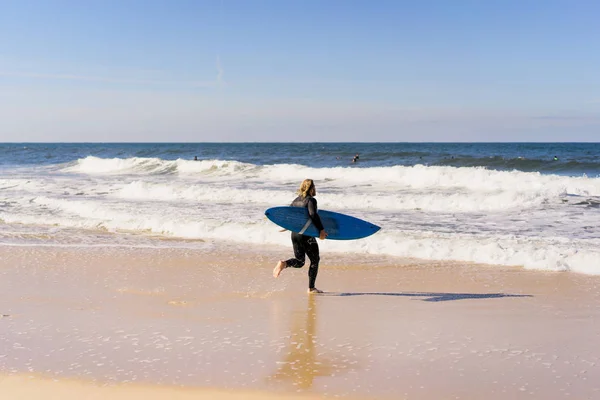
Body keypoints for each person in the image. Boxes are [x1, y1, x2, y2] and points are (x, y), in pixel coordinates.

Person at [273, 179, 328, 293]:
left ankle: (284, 263)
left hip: (295, 234)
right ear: (311, 188)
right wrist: (321, 230)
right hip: (306, 235)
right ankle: (311, 288)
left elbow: (289, 215)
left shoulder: (295, 200)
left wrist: (286, 226)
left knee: (300, 261)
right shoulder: (311, 200)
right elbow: (313, 214)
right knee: (315, 260)